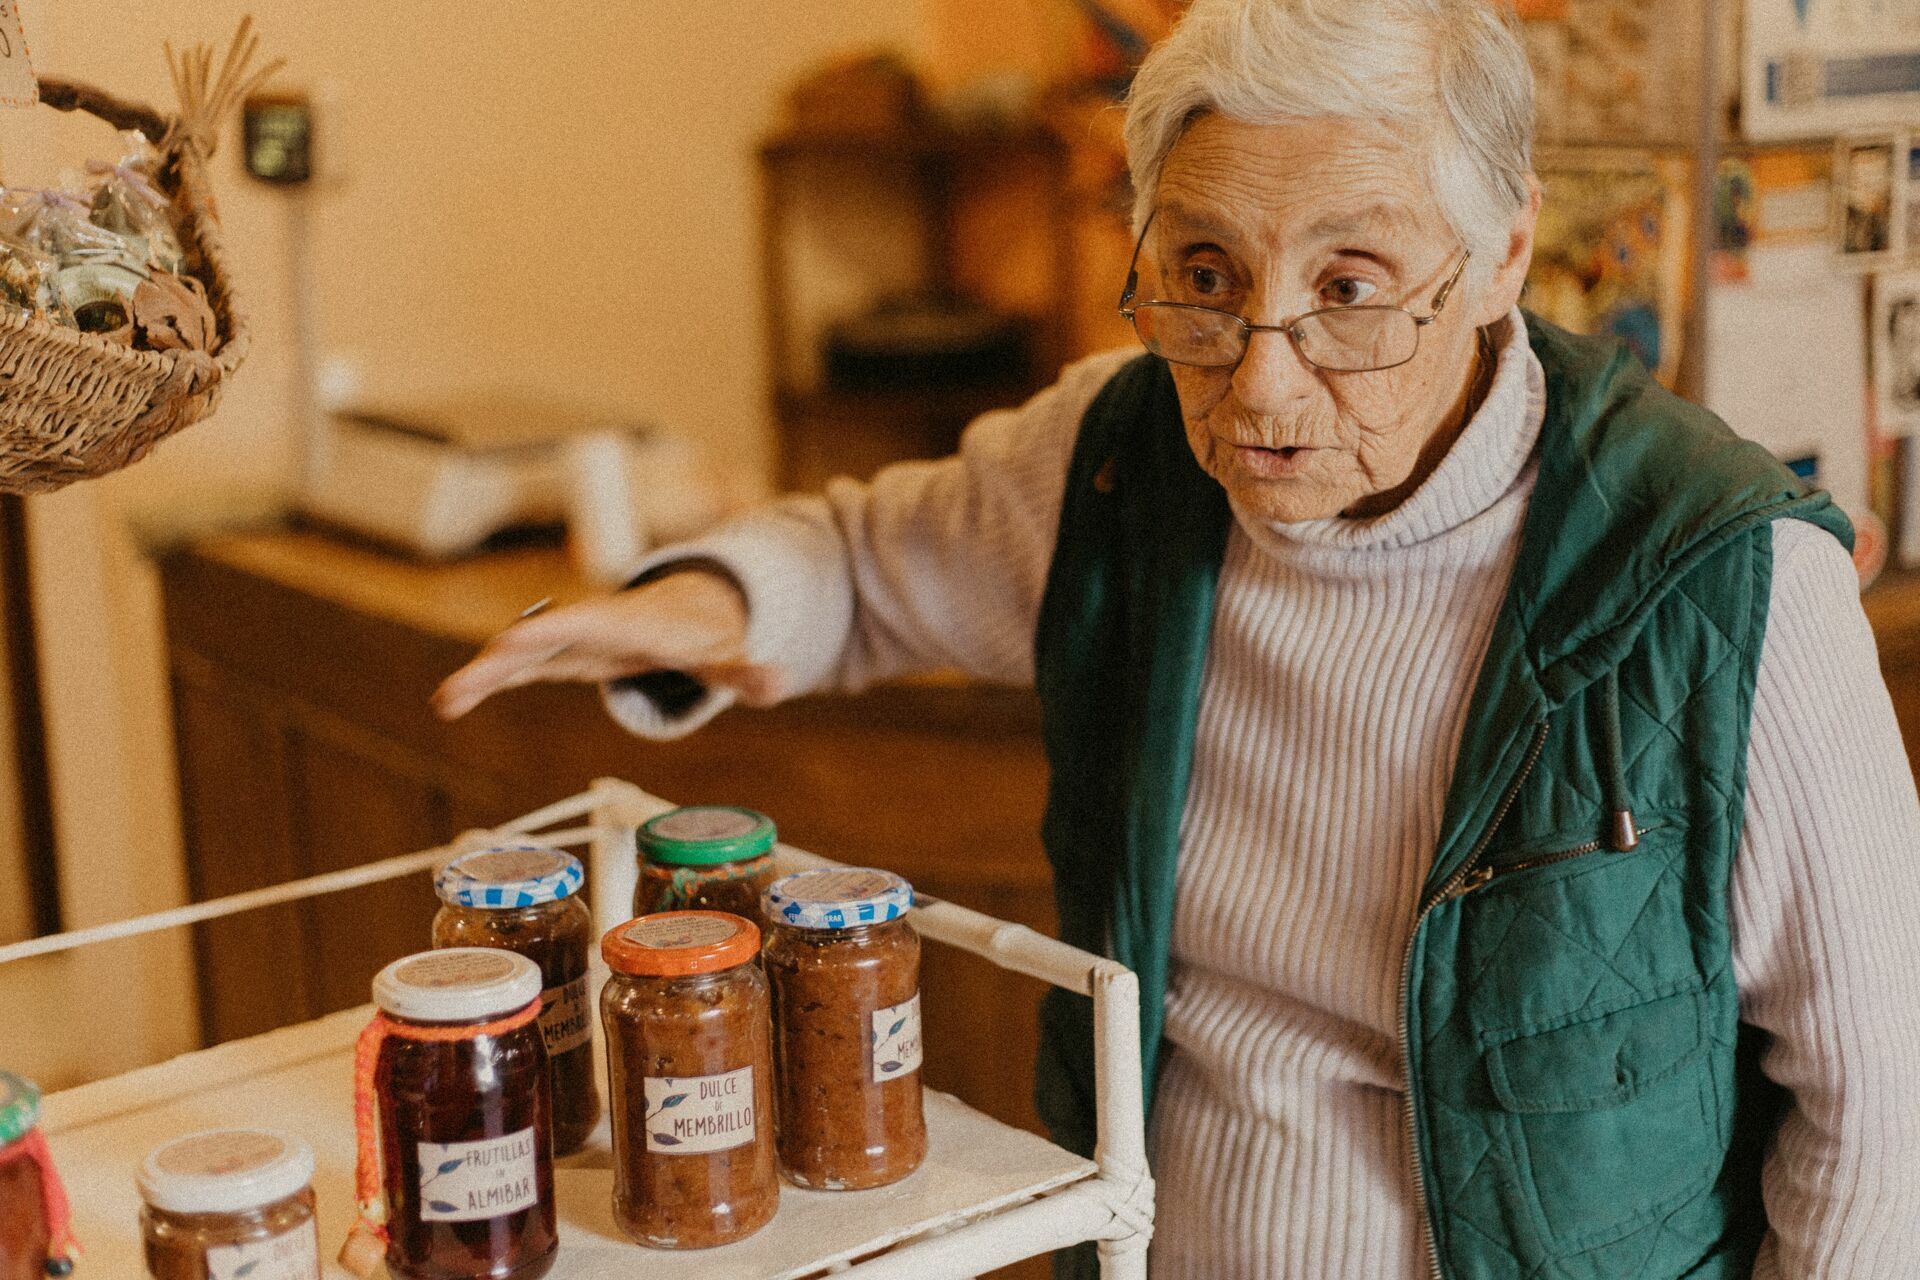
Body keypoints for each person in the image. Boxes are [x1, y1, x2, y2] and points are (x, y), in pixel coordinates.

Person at [435, 1, 1920, 1275]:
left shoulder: (1729, 590)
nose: (1261, 385)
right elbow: (868, 560)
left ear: (1503, 254)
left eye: (1349, 290)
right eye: (1204, 278)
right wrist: (698, 605)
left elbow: (1881, 1122)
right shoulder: (1119, 457)